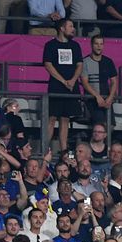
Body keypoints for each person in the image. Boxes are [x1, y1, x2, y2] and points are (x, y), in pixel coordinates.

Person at [42, 19, 82, 153]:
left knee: (65, 118)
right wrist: (63, 81)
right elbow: (48, 65)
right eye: (70, 26)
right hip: (56, 86)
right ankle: (44, 149)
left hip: (71, 87)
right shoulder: (50, 45)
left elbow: (79, 65)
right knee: (52, 117)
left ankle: (64, 151)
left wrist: (72, 80)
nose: (73, 29)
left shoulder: (75, 46)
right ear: (62, 28)